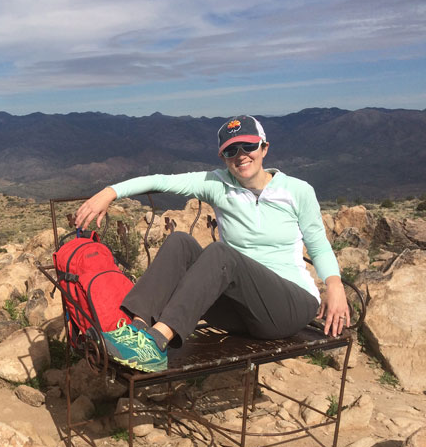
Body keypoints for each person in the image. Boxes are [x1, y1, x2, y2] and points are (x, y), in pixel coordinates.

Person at [74, 115, 350, 373]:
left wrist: (334, 285)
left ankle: (157, 342)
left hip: (288, 306)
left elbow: (319, 245)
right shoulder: (218, 184)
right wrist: (111, 192)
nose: (241, 155)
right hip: (240, 311)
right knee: (181, 242)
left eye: (248, 146)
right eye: (232, 151)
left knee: (222, 254)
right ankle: (135, 329)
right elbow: (160, 181)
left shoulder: (297, 191)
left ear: (264, 148)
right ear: (223, 157)